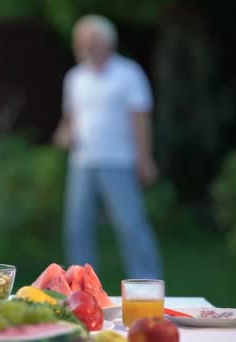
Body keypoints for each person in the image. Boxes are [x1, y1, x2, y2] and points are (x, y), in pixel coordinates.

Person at [53, 15, 162, 278]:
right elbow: (70, 119)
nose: (86, 46)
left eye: (92, 41)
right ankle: (80, 287)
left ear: (108, 42)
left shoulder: (128, 74)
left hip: (119, 161)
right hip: (82, 163)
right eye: (81, 41)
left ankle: (147, 284)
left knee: (131, 226)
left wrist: (144, 159)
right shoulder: (75, 78)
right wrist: (63, 134)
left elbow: (140, 119)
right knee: (77, 228)